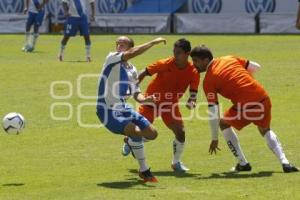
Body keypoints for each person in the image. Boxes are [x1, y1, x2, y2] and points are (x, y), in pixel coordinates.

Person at [190, 45, 299, 173]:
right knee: (265, 129)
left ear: (206, 60)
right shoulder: (229, 58)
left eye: (196, 61)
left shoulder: (208, 81)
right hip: (262, 97)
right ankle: (285, 162)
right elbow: (256, 67)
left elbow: (213, 111)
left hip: (245, 105)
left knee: (224, 123)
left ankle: (243, 163)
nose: (194, 65)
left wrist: (214, 138)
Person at [122, 39, 200, 172]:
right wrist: (134, 88)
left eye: (179, 53)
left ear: (187, 54)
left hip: (170, 106)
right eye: (174, 52)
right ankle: (131, 141)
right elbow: (143, 72)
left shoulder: (193, 71)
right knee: (142, 132)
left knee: (180, 133)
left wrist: (191, 101)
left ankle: (176, 163)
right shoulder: (165, 63)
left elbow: (193, 92)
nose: (175, 55)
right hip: (151, 102)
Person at [96, 36, 166, 182]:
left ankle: (130, 142)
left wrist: (145, 99)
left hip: (125, 108)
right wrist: (153, 42)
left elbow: (136, 94)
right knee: (136, 132)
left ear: (130, 46)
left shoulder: (132, 69)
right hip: (107, 110)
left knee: (152, 133)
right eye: (118, 44)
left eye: (124, 44)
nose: (119, 46)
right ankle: (144, 170)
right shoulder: (112, 58)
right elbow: (133, 52)